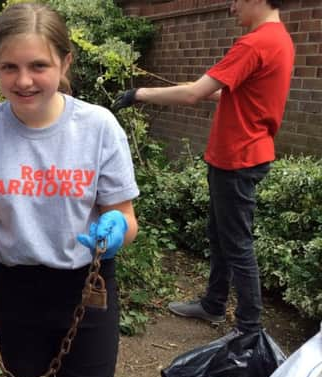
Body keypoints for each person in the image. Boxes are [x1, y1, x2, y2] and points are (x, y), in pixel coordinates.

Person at [0, 3, 140, 377]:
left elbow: (124, 214)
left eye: (38, 65)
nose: (23, 80)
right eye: (9, 66)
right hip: (17, 293)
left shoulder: (99, 128)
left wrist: (117, 227)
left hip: (88, 290)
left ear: (65, 62)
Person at [112, 0, 294, 335]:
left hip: (238, 158)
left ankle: (249, 329)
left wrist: (140, 93)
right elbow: (224, 92)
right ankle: (213, 303)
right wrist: (191, 88)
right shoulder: (279, 38)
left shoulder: (255, 42)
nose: (231, 7)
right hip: (242, 155)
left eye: (236, 0)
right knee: (221, 235)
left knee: (237, 243)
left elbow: (195, 94)